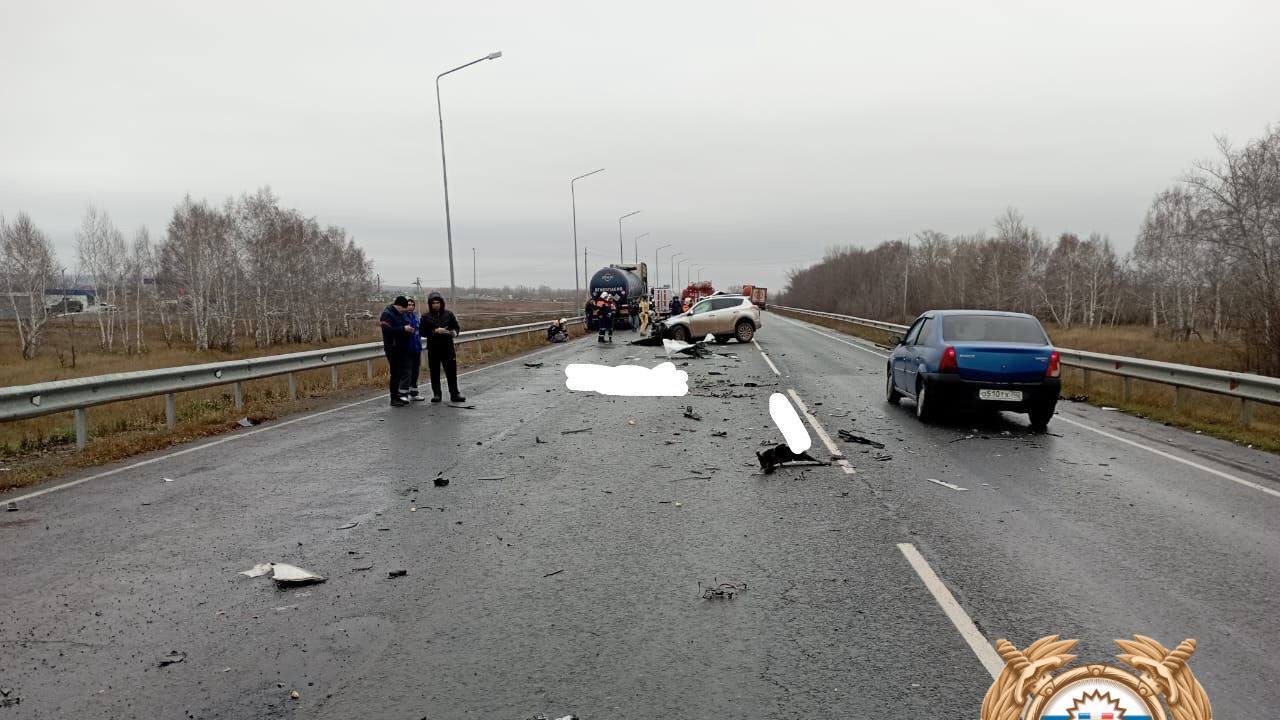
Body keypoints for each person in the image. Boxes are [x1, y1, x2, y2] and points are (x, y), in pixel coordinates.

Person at [420, 291, 464, 403]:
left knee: (451, 372)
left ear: (441, 303)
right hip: (433, 348)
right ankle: (437, 394)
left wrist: (451, 332)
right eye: (433, 303)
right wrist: (434, 331)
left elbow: (456, 328)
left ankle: (455, 394)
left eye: (438, 302)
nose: (436, 305)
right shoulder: (425, 317)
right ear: (430, 304)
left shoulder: (449, 314)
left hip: (447, 347)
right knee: (434, 372)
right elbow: (422, 331)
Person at [379, 296, 415, 407]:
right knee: (395, 373)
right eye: (403, 309)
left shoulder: (400, 314)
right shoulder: (387, 314)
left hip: (401, 348)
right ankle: (393, 398)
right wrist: (403, 329)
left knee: (400, 373)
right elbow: (387, 330)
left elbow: (404, 324)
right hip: (392, 348)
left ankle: (398, 395)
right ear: (398, 306)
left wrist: (408, 330)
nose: (404, 311)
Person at [399, 298, 425, 401]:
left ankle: (414, 393)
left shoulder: (415, 316)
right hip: (406, 348)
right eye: (409, 305)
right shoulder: (402, 317)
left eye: (412, 305)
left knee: (415, 371)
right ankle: (403, 394)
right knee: (407, 372)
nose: (410, 306)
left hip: (416, 347)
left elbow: (420, 330)